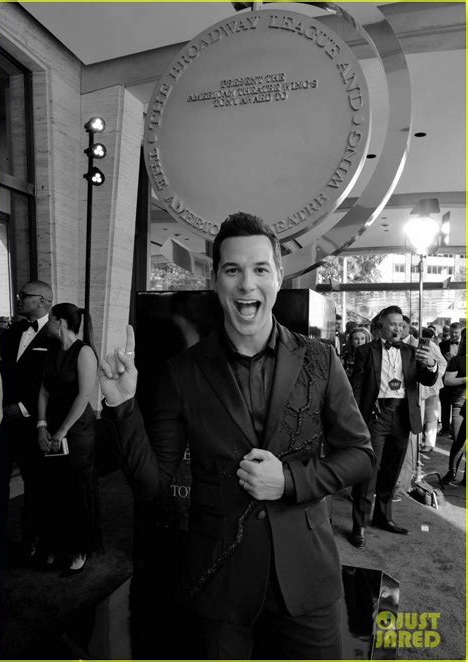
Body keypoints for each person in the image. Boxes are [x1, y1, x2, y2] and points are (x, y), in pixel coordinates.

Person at [100, 212, 375, 660]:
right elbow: (153, 485)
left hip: (305, 577)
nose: (247, 284)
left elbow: (360, 456)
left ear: (278, 276)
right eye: (233, 270)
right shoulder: (183, 373)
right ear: (216, 280)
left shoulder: (320, 359)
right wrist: (122, 406)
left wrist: (287, 481)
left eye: (260, 269)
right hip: (218, 579)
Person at [349, 305, 438, 549]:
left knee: (392, 469)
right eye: (393, 324)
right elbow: (356, 386)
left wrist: (430, 364)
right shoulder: (365, 351)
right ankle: (359, 524)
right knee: (368, 471)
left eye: (401, 324)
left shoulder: (412, 352)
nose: (398, 328)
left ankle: (383, 517)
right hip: (376, 415)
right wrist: (355, 418)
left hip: (402, 416)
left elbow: (427, 379)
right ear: (380, 326)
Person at [37, 303, 100, 574]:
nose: (46, 324)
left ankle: (79, 548)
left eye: (49, 319)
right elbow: (43, 391)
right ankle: (55, 544)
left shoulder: (83, 351)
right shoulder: (51, 350)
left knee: (77, 488)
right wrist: (41, 425)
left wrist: (62, 431)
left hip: (76, 429)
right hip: (52, 425)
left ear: (60, 322)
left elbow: (84, 395)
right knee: (53, 488)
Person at [0, 280, 55, 563]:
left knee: (36, 486)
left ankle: (31, 541)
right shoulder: (11, 333)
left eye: (24, 296)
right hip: (2, 423)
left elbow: (55, 381)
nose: (19, 299)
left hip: (32, 423)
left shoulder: (55, 334)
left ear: (43, 300)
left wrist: (24, 408)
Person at [441, 329, 466, 484]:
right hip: (460, 401)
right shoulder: (458, 360)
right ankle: (452, 472)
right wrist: (465, 379)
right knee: (459, 439)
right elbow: (448, 380)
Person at [439, 322, 463, 435]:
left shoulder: (464, 345)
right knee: (445, 405)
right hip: (446, 378)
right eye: (452, 332)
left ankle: (456, 430)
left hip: (459, 380)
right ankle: (445, 428)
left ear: (460, 332)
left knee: (457, 407)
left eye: (456, 333)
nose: (453, 335)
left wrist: (453, 359)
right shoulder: (442, 345)